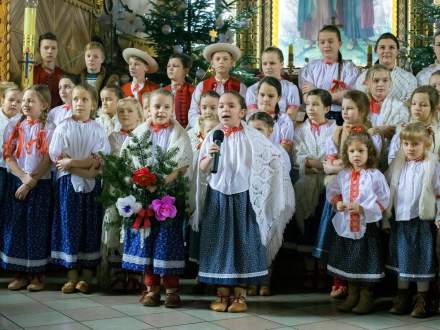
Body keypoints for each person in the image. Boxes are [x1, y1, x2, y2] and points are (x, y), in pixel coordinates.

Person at [192, 91, 294, 312]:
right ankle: (222, 293)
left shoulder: (253, 137)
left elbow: (271, 160)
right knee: (219, 242)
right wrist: (210, 156)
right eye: (221, 106)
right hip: (218, 197)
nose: (224, 110)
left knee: (243, 241)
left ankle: (240, 294)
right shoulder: (213, 136)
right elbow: (201, 169)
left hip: (244, 198)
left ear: (242, 111)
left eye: (230, 106)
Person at [121, 89, 192, 308]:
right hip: (143, 195)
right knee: (147, 242)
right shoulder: (140, 133)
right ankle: (151, 288)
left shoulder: (179, 134)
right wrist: (142, 181)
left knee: (168, 243)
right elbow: (128, 159)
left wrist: (161, 182)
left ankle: (172, 289)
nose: (161, 111)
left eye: (166, 107)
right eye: (156, 107)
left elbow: (183, 163)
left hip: (169, 196)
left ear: (173, 110)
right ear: (147, 109)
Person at [314, 90, 382, 298]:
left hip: (362, 193)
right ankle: (339, 280)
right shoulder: (338, 131)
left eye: (350, 108)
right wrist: (334, 164)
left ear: (362, 110)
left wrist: (338, 165)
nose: (345, 112)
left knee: (361, 240)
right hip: (342, 191)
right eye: (342, 108)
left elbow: (372, 160)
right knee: (339, 237)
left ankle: (361, 287)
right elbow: (329, 159)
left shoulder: (371, 134)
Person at [49, 84, 110, 294]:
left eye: (85, 99)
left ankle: (86, 276)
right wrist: (83, 166)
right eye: (76, 99)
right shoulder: (63, 127)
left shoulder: (97, 128)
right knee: (69, 225)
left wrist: (73, 162)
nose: (79, 103)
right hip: (68, 185)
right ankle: (71, 275)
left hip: (91, 187)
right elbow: (58, 158)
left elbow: (99, 159)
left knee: (89, 226)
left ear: (93, 104)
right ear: (70, 102)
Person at [326, 129, 390, 314]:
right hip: (347, 226)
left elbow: (383, 199)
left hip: (366, 226)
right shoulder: (343, 174)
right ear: (346, 153)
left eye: (361, 151)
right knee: (350, 259)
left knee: (365, 259)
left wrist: (363, 209)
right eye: (352, 151)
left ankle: (366, 295)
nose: (356, 155)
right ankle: (352, 294)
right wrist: (338, 203)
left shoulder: (375, 175)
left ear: (369, 152)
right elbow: (334, 191)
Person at [384, 123, 440, 318]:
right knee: (402, 258)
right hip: (400, 221)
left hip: (421, 221)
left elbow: (439, 193)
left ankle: (422, 298)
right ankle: (402, 296)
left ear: (426, 144)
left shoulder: (432, 165)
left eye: (415, 144)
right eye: (406, 144)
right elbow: (385, 188)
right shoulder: (399, 165)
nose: (410, 148)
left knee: (421, 258)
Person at [1, 85, 53, 291]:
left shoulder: (48, 128)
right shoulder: (15, 126)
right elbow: (9, 155)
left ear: (44, 105)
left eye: (31, 101)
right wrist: (23, 178)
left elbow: (48, 157)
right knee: (17, 225)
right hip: (18, 180)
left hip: (40, 183)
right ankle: (19, 273)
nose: (25, 104)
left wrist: (32, 181)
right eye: (24, 101)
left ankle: (37, 275)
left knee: (36, 226)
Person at [293, 89, 336, 288]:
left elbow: (334, 155)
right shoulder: (300, 130)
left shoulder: (336, 129)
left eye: (316, 104)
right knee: (307, 226)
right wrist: (319, 164)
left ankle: (324, 268)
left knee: (324, 223)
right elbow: (299, 156)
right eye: (308, 104)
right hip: (306, 184)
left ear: (327, 108)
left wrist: (319, 164)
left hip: (329, 185)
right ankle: (310, 270)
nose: (311, 108)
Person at [100, 97, 143, 292]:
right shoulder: (112, 137)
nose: (125, 114)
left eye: (129, 111)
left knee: (136, 229)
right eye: (121, 111)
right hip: (116, 191)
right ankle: (117, 273)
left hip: (139, 191)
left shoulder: (145, 135)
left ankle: (135, 274)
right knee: (114, 231)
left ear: (139, 114)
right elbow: (109, 166)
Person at [247, 111, 293, 296]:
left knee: (269, 237)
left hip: (272, 201)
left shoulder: (278, 151)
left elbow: (283, 177)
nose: (255, 134)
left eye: (259, 129)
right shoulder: (246, 149)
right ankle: (252, 280)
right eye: (251, 130)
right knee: (253, 241)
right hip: (252, 200)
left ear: (270, 131)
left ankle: (265, 281)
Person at [299, 25, 360, 125]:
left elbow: (349, 98)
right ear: (318, 44)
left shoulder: (349, 69)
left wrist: (315, 90)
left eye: (330, 41)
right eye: (322, 42)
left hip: (342, 117)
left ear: (339, 44)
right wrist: (337, 96)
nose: (326, 45)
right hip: (315, 116)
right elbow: (307, 99)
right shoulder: (311, 68)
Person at [188, 42, 246, 128]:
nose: (221, 62)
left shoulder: (240, 86)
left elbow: (244, 111)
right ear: (212, 63)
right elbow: (193, 111)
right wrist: (201, 126)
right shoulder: (202, 86)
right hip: (205, 129)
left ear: (232, 62)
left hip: (231, 130)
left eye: (225, 59)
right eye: (217, 59)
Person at [355, 33, 417, 103]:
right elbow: (360, 105)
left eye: (391, 47)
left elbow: (411, 106)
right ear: (376, 50)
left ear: (397, 51)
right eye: (382, 47)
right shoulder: (363, 78)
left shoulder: (409, 79)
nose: (387, 51)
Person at [388, 86, 440, 164]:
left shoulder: (437, 133)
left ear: (433, 108)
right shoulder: (402, 129)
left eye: (423, 105)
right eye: (414, 104)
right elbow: (392, 157)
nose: (417, 108)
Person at [246, 46, 300, 120]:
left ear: (281, 64)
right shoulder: (252, 90)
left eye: (272, 63)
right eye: (265, 63)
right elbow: (252, 117)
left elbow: (291, 117)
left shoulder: (291, 88)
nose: (268, 67)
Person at [363, 64, 410, 139]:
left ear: (390, 83)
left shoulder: (399, 106)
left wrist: (381, 130)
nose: (381, 84)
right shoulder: (360, 105)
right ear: (367, 83)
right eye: (376, 80)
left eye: (385, 80)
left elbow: (403, 130)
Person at [255, 76, 295, 155]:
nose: (265, 99)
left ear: (278, 98)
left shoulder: (284, 120)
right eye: (262, 95)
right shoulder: (251, 118)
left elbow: (285, 151)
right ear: (257, 95)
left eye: (271, 96)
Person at [0, 86, 22, 205]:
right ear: (3, 99)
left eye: (19, 101)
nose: (14, 104)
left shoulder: (23, 121)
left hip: (15, 171)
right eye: (11, 100)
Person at [33, 32, 64, 107]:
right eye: (46, 48)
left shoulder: (62, 75)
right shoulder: (32, 72)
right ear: (39, 49)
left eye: (53, 48)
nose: (50, 51)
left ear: (57, 50)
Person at [164, 53, 195, 127]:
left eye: (175, 66)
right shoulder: (162, 91)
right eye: (168, 66)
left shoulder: (192, 91)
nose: (170, 68)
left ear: (185, 70)